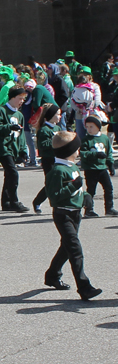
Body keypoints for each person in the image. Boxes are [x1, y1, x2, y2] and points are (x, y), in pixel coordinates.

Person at [44, 131, 101, 300]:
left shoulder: (72, 167)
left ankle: (52, 275)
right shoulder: (57, 171)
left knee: (66, 248)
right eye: (77, 148)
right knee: (75, 249)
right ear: (69, 151)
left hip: (76, 214)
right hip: (63, 214)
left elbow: (78, 190)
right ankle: (84, 287)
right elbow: (54, 196)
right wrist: (73, 186)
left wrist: (86, 197)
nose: (79, 151)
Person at [0, 85, 29, 212]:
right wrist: (9, 127)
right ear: (12, 98)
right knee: (13, 173)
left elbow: (21, 135)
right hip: (3, 148)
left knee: (9, 175)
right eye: (20, 98)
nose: (22, 101)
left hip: (14, 148)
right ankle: (14, 201)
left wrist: (23, 150)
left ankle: (6, 202)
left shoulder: (20, 115)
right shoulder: (1, 111)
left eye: (23, 99)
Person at [79, 115, 118, 217]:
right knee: (91, 190)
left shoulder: (104, 138)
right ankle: (89, 210)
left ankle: (109, 208)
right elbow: (83, 153)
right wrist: (95, 154)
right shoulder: (86, 139)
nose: (89, 129)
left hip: (102, 168)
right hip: (91, 168)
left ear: (98, 126)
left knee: (109, 188)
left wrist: (110, 164)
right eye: (87, 127)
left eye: (91, 126)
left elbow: (108, 152)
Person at [32, 104, 61, 213]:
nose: (59, 117)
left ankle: (58, 203)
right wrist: (56, 141)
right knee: (51, 183)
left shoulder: (58, 128)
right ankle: (37, 202)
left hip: (58, 159)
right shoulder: (44, 130)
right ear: (50, 116)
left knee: (58, 182)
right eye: (57, 114)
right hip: (48, 160)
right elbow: (43, 144)